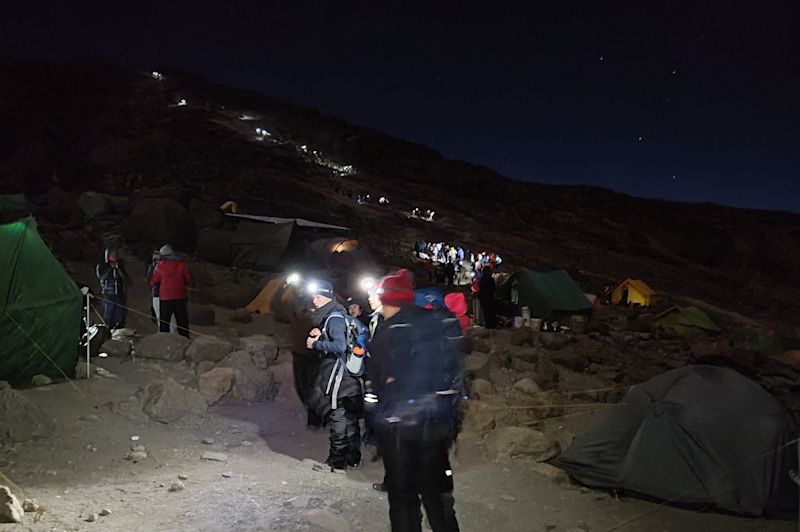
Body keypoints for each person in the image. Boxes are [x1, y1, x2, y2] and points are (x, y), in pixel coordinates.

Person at [368, 270, 461, 532]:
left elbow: (378, 378)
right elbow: (452, 368)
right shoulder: (435, 322)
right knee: (437, 492)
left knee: (403, 497)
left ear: (387, 300)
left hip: (400, 426)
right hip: (436, 421)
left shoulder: (387, 332)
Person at [305, 280, 363, 472]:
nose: (314, 300)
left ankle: (336, 462)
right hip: (349, 376)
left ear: (327, 298)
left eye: (318, 297)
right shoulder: (338, 315)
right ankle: (353, 457)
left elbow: (339, 346)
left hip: (339, 377)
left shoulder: (334, 318)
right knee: (349, 418)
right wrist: (321, 335)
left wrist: (316, 345)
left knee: (338, 417)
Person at [149, 244, 192, 338]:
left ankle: (164, 342)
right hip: (180, 297)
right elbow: (188, 279)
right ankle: (185, 340)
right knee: (182, 322)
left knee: (164, 323)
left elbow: (153, 281)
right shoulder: (181, 265)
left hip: (165, 298)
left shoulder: (160, 266)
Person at [96, 249, 129, 329]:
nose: (114, 257)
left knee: (120, 313)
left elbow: (125, 278)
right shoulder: (102, 266)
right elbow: (102, 278)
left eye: (115, 255)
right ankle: (108, 331)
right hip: (108, 293)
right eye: (112, 255)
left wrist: (118, 269)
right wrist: (110, 268)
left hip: (119, 293)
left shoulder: (119, 266)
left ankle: (118, 329)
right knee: (108, 313)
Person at [146, 250, 177, 333]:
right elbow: (150, 280)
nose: (159, 262)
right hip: (157, 295)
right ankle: (162, 333)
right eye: (157, 260)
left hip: (168, 296)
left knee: (171, 316)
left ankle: (172, 333)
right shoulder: (153, 269)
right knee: (159, 316)